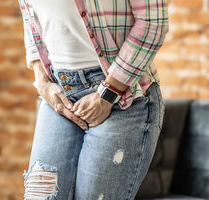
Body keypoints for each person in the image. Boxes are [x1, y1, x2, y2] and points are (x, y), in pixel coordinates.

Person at [18, 0, 169, 199]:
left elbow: (153, 23)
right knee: (40, 194)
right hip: (58, 91)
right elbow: (30, 17)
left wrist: (107, 94)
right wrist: (41, 80)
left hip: (123, 96)